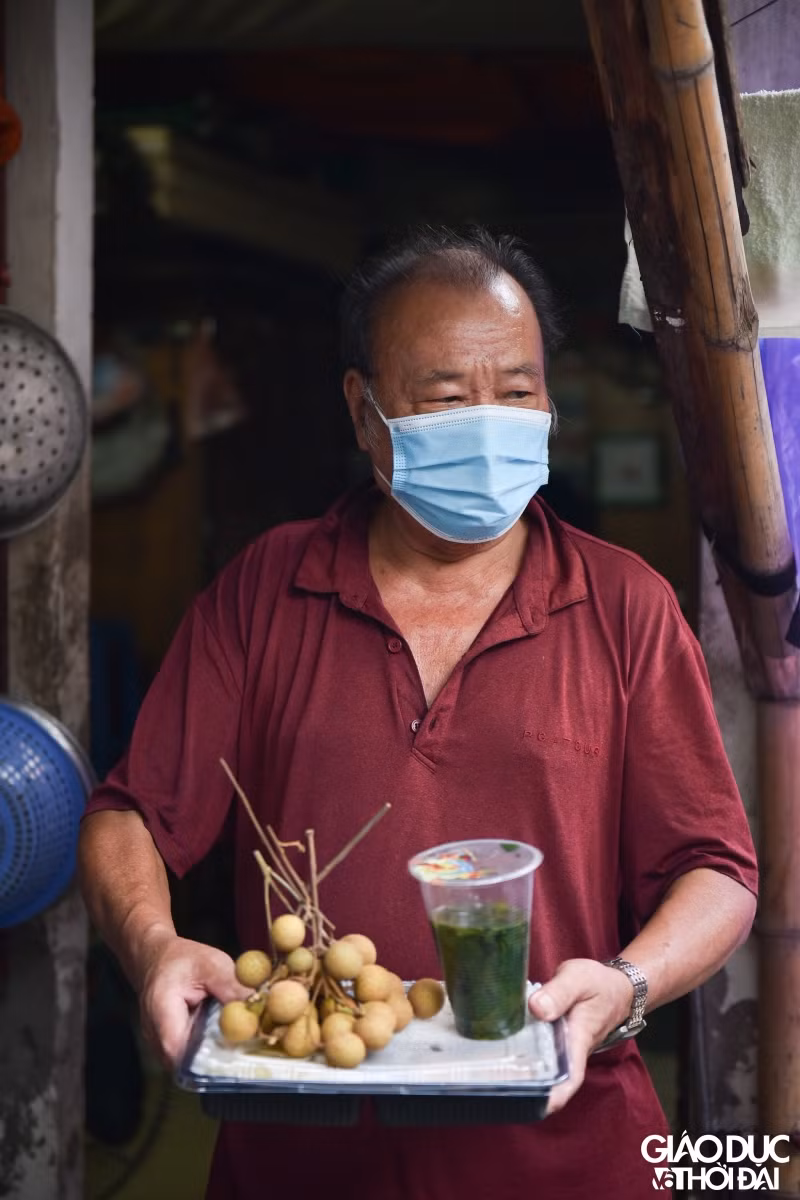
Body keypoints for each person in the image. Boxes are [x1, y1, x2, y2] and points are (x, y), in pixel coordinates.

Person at [79, 225, 758, 1200]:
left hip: (568, 1158)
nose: (487, 420)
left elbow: (716, 871)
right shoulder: (265, 590)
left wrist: (625, 984)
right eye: (444, 397)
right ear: (364, 413)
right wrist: (153, 944)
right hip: (301, 1159)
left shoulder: (623, 607)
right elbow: (129, 812)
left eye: (517, 391)